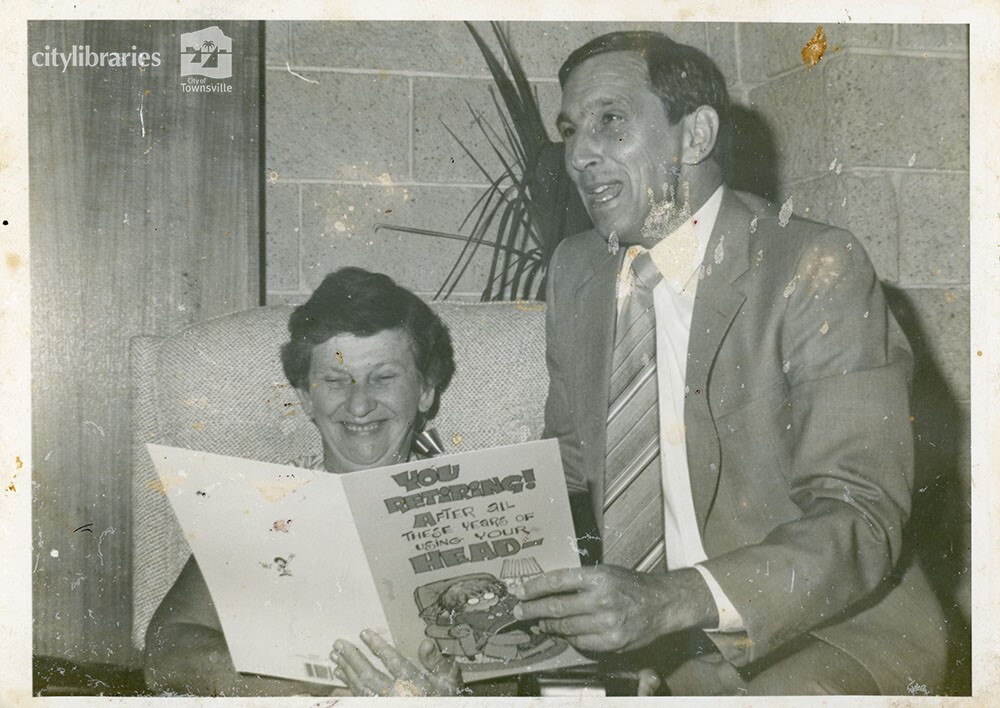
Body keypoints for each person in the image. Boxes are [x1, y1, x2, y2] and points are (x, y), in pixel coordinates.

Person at [512, 31, 947, 695]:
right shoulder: (577, 272)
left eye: (610, 122)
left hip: (818, 632)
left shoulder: (815, 266)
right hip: (649, 647)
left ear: (695, 135)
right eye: (570, 130)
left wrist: (675, 602)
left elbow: (859, 514)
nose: (578, 155)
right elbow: (568, 470)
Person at [143, 267, 463, 697]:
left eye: (383, 378)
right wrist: (318, 685)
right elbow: (165, 651)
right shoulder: (264, 503)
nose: (359, 404)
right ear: (307, 397)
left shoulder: (465, 506)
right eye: (335, 381)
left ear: (425, 390)